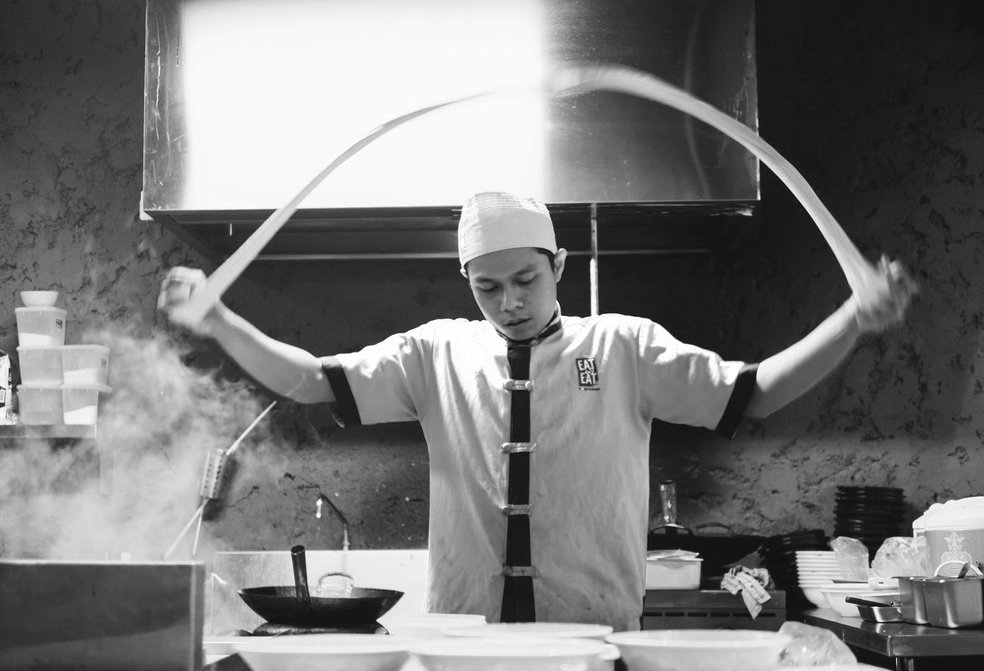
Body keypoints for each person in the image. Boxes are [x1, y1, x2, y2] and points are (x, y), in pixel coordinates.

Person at [158, 191, 917, 631]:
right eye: (487, 287)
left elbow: (754, 392)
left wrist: (853, 320)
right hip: (465, 641)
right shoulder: (435, 354)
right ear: (467, 283)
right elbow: (311, 381)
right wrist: (222, 322)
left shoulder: (623, 348)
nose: (510, 302)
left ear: (559, 265)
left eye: (525, 278)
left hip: (594, 639)